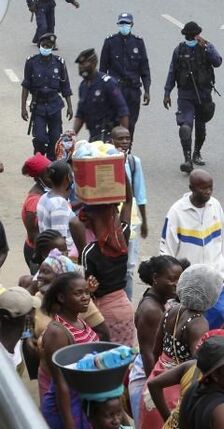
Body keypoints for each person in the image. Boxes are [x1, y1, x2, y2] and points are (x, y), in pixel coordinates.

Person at [138, 264, 224, 428]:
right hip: (175, 394)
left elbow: (156, 351)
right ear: (211, 296)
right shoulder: (198, 323)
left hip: (157, 384)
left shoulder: (171, 310)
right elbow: (207, 361)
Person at [161, 170, 224, 329]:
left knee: (217, 319)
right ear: (191, 188)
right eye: (203, 188)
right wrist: (173, 285)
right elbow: (166, 252)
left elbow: (222, 240)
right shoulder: (176, 212)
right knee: (192, 327)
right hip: (190, 285)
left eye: (210, 187)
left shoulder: (215, 206)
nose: (208, 192)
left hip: (215, 280)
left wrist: (223, 270)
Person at [39, 272, 99, 429]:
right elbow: (60, 382)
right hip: (67, 408)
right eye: (78, 293)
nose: (85, 297)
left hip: (83, 400)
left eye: (87, 292)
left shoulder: (78, 321)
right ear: (61, 297)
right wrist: (69, 423)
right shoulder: (57, 333)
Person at [127, 255, 184, 423]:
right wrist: (156, 390)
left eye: (180, 279)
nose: (176, 283)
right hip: (147, 379)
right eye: (172, 279)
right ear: (155, 278)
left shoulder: (158, 300)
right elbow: (149, 355)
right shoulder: (152, 310)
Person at [164, 21, 222, 173]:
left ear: (198, 35)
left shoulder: (206, 47)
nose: (191, 38)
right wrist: (167, 92)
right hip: (186, 95)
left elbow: (218, 62)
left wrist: (207, 47)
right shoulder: (179, 50)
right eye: (188, 36)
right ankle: (187, 159)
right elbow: (172, 72)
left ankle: (197, 152)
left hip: (203, 94)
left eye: (193, 36)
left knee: (201, 126)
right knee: (186, 125)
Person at [80, 204, 135, 348]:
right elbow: (128, 205)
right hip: (125, 307)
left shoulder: (89, 252)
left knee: (104, 356)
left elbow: (87, 290)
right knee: (125, 355)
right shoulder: (122, 238)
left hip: (103, 313)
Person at [99, 12, 151, 135]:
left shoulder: (138, 42)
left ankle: (128, 146)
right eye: (121, 23)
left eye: (126, 23)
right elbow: (102, 69)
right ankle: (112, 145)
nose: (124, 26)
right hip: (115, 89)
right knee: (113, 122)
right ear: (118, 25)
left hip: (133, 90)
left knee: (130, 123)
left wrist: (147, 90)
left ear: (131, 24)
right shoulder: (110, 42)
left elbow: (144, 68)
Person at [111, 126, 147, 298]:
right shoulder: (104, 162)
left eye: (127, 138)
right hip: (109, 220)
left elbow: (140, 194)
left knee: (128, 268)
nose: (125, 142)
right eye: (120, 139)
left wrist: (144, 221)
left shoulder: (133, 162)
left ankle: (126, 302)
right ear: (111, 141)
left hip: (130, 223)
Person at [22, 33, 72, 157]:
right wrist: (23, 108)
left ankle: (50, 163)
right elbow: (26, 86)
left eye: (49, 46)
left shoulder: (59, 63)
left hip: (54, 105)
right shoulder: (31, 62)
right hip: (38, 106)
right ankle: (39, 158)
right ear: (39, 45)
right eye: (44, 45)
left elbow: (65, 86)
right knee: (40, 138)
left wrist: (70, 106)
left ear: (52, 47)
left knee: (55, 139)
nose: (46, 48)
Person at [72, 48, 130, 142]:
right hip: (94, 136)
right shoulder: (83, 86)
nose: (81, 67)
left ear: (94, 63)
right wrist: (72, 136)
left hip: (108, 136)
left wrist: (124, 138)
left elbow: (123, 111)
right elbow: (80, 115)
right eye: (80, 64)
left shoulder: (107, 83)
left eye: (84, 64)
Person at [36, 161, 83, 257]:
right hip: (62, 259)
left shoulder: (44, 197)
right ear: (67, 178)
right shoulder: (59, 204)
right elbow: (59, 244)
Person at [21, 153, 53, 272]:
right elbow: (33, 236)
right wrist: (43, 259)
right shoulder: (34, 202)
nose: (52, 177)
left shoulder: (45, 194)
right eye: (48, 175)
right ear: (38, 179)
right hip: (37, 252)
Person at [0, 286, 37, 378]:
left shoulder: (15, 339)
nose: (35, 316)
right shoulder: (3, 361)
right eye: (33, 311)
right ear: (27, 318)